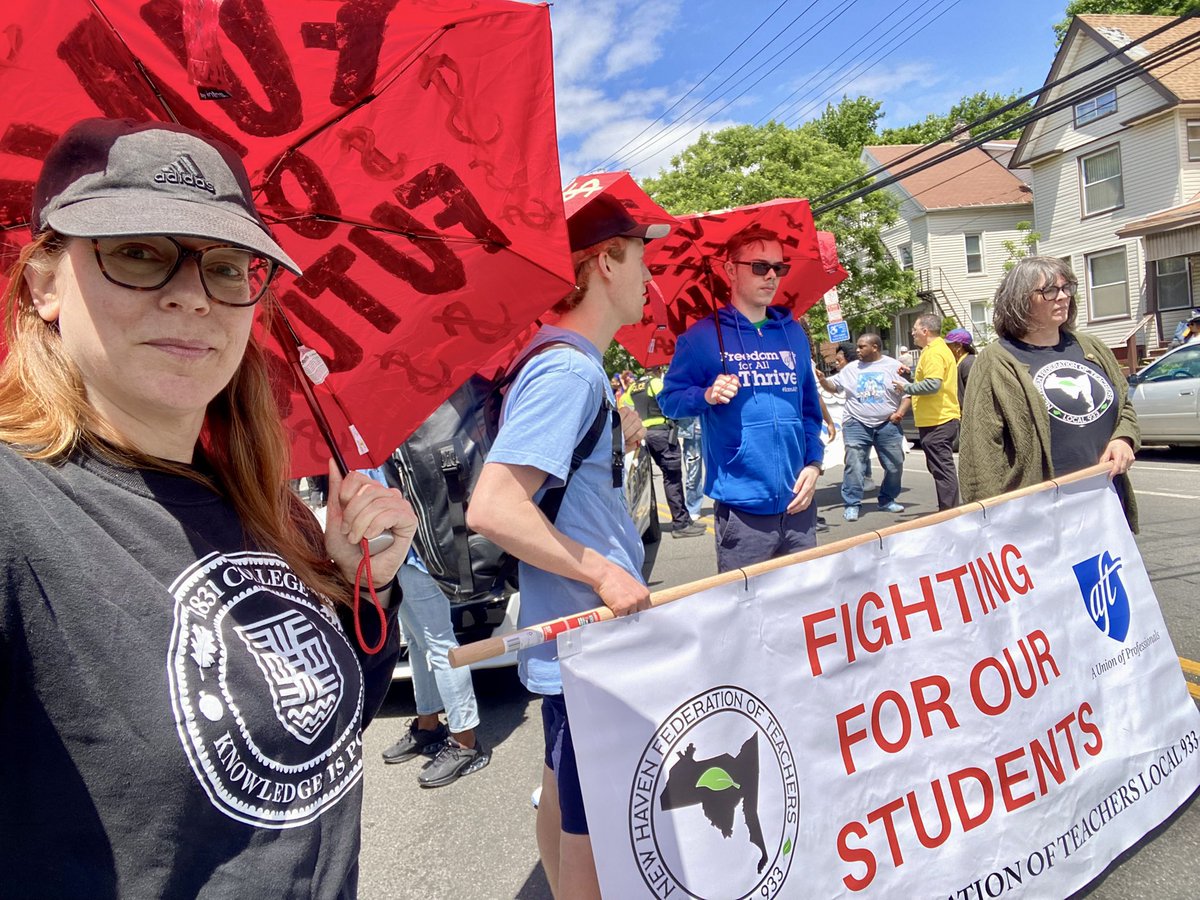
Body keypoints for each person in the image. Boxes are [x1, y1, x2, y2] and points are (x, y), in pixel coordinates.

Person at [0, 118, 416, 896]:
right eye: (137, 253)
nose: (193, 297)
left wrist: (365, 585)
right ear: (44, 284)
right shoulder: (17, 511)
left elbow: (314, 743)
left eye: (227, 266)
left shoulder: (270, 510)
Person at [467, 194, 660, 899]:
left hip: (571, 638)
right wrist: (605, 572)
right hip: (588, 640)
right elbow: (493, 507)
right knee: (597, 839)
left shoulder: (568, 365)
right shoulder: (567, 369)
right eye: (641, 257)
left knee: (561, 795)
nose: (651, 277)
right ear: (604, 260)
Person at [658, 226, 825, 573]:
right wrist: (705, 394)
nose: (771, 277)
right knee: (749, 618)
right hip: (743, 513)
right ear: (731, 270)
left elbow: (809, 409)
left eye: (779, 268)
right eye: (760, 266)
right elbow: (669, 401)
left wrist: (814, 464)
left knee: (804, 612)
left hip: (800, 504)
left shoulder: (793, 332)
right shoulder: (701, 337)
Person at [959, 257, 1139, 529]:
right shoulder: (997, 360)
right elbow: (980, 450)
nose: (1063, 297)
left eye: (1068, 288)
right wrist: (988, 521)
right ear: (1020, 300)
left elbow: (1123, 405)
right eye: (1050, 291)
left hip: (1105, 500)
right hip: (1041, 514)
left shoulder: (1091, 347)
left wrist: (1123, 439)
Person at [382, 549, 491, 786]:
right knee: (416, 641)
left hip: (421, 554)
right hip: (395, 554)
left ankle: (466, 743)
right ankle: (428, 726)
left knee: (441, 646)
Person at [817, 334, 910, 521]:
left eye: (861, 347)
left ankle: (887, 500)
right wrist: (822, 381)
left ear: (875, 347)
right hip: (856, 423)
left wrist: (899, 413)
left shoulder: (893, 366)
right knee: (855, 465)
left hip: (887, 424)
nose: (857, 350)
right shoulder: (851, 369)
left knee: (895, 465)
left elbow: (907, 394)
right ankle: (852, 503)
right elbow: (834, 388)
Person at [623, 367, 705, 537]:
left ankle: (684, 519)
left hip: (645, 435)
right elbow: (671, 404)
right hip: (662, 433)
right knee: (672, 478)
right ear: (658, 369)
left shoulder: (634, 386)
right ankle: (681, 524)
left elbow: (625, 406)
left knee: (660, 479)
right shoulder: (656, 383)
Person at [895, 314, 961, 511]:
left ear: (925, 331)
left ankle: (949, 512)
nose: (912, 332)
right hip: (936, 418)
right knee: (938, 467)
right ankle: (948, 509)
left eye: (915, 329)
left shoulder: (934, 352)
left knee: (942, 468)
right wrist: (909, 376)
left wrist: (906, 387)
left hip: (938, 419)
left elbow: (932, 385)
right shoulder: (935, 350)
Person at [945, 327, 977, 403]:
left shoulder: (969, 363)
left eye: (948, 345)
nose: (945, 348)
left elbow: (974, 394)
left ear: (958, 346)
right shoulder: (958, 363)